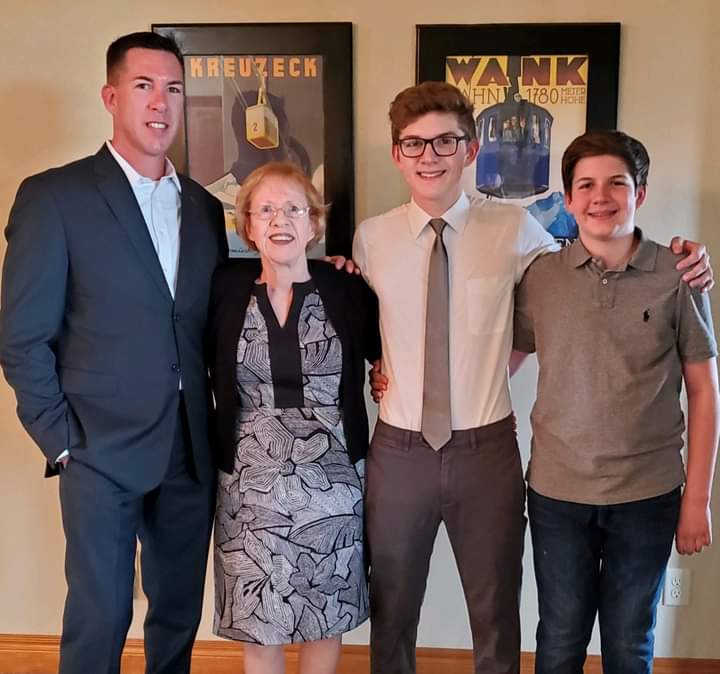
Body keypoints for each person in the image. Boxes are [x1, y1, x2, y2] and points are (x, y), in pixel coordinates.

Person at [358, 82, 712, 674]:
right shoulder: (370, 239)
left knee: (499, 613)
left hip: (488, 449)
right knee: (391, 608)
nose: (430, 155)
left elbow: (588, 271)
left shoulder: (518, 231)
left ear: (471, 150)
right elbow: (360, 317)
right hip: (399, 449)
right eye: (414, 143)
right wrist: (381, 366)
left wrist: (688, 257)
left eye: (446, 141)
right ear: (397, 153)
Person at [0, 32, 227, 674]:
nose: (161, 102)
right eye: (143, 85)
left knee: (178, 613)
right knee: (100, 616)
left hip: (189, 445)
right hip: (96, 448)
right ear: (111, 97)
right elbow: (21, 337)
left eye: (173, 88)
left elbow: (215, 319)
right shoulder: (55, 197)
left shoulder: (206, 209)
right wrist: (62, 442)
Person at [512, 130, 719, 674]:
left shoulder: (679, 275)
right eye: (585, 185)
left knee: (629, 643)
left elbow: (704, 390)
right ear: (569, 198)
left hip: (648, 495)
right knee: (559, 639)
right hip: (557, 493)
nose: (600, 197)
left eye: (616, 184)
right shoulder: (541, 277)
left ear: (640, 193)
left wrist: (697, 499)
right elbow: (498, 362)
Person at [206, 161, 380, 674]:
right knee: (259, 616)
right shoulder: (223, 289)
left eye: (293, 209)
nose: (279, 220)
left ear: (313, 223)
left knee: (325, 614)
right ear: (248, 225)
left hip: (334, 482)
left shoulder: (346, 288)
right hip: (248, 488)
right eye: (265, 210)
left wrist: (383, 375)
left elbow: (388, 356)